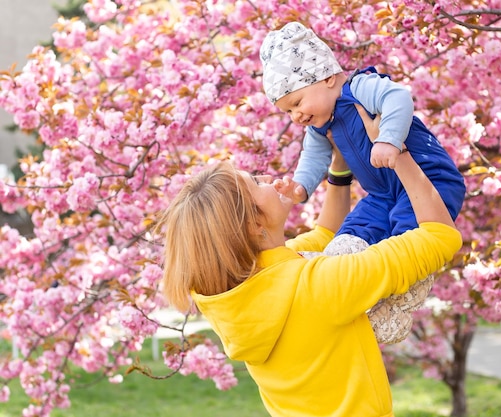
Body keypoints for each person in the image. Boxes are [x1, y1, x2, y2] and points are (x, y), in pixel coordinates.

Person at [157, 136, 462, 416]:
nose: (266, 178)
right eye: (255, 182)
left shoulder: (241, 288)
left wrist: (339, 169)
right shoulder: (318, 284)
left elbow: (325, 234)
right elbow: (439, 237)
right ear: (253, 223)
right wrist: (400, 155)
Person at [259, 21, 466, 343]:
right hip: (382, 193)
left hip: (429, 180)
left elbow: (398, 97)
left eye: (297, 103)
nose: (295, 117)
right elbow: (313, 159)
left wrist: (389, 140)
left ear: (327, 78)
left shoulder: (361, 88)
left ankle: (395, 305)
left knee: (406, 238)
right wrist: (300, 188)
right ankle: (331, 271)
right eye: (287, 112)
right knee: (354, 229)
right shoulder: (319, 126)